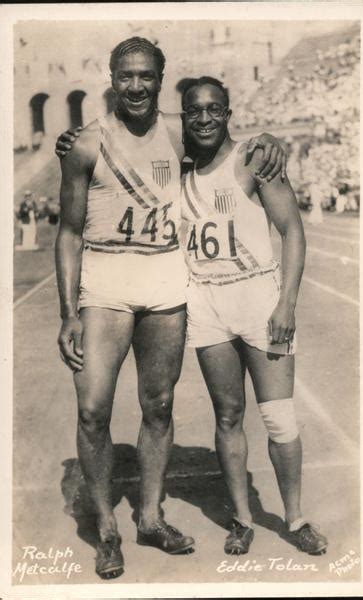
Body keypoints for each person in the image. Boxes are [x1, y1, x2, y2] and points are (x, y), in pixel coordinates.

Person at [55, 37, 287, 579]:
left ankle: (151, 518)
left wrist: (266, 137)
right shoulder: (86, 144)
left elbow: (226, 138)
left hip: (165, 278)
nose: (136, 86)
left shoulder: (182, 132)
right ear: (112, 77)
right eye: (126, 76)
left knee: (158, 406)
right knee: (92, 409)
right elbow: (67, 232)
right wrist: (69, 311)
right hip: (106, 281)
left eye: (146, 76)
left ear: (161, 79)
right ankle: (107, 531)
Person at [180, 76, 328, 556]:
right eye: (194, 110)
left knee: (279, 418)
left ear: (228, 113)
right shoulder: (177, 169)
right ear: (183, 117)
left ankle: (296, 518)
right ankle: (242, 519)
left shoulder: (253, 159)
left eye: (214, 109)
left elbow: (293, 230)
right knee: (228, 415)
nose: (204, 118)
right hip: (206, 305)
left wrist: (287, 302)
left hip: (260, 300)